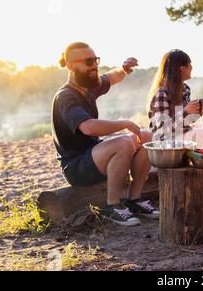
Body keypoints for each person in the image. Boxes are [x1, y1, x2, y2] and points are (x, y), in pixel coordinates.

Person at [52, 42, 159, 227]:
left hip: (93, 155)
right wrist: (124, 124)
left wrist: (124, 69)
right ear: (70, 66)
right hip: (76, 167)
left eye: (95, 60)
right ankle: (112, 206)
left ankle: (134, 200)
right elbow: (88, 127)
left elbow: (111, 77)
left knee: (147, 137)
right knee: (124, 143)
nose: (94, 65)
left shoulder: (88, 86)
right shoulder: (66, 97)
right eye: (88, 61)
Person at [147, 49, 203, 147]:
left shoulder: (185, 89)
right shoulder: (162, 93)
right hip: (165, 143)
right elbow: (162, 131)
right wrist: (186, 111)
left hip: (182, 136)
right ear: (182, 68)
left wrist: (198, 112)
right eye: (190, 64)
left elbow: (185, 123)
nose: (192, 67)